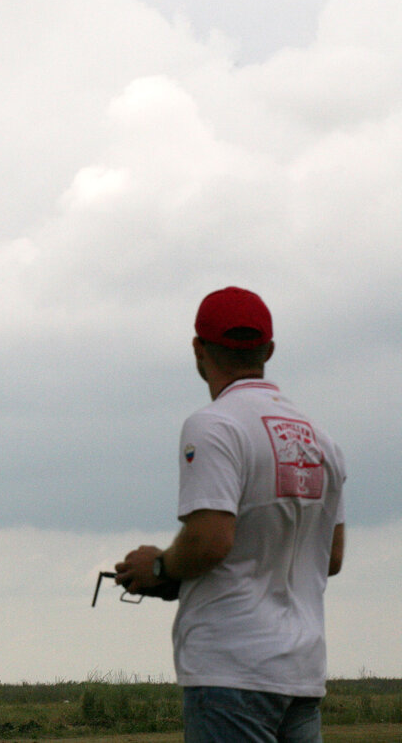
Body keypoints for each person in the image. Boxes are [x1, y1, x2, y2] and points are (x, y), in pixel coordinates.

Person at [115, 286, 346, 743]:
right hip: (301, 673)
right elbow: (331, 557)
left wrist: (158, 566)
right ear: (270, 350)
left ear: (198, 350)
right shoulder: (322, 441)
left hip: (231, 671)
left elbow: (210, 541)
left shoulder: (214, 425)